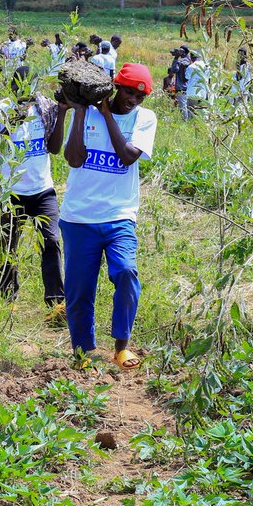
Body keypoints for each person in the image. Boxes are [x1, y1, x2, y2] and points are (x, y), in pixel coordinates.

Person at [48, 62, 158, 370]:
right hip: (79, 217)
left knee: (126, 272)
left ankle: (122, 347)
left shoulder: (144, 118)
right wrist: (82, 111)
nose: (132, 100)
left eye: (140, 96)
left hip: (119, 216)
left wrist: (107, 113)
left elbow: (127, 157)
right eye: (127, 92)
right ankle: (84, 351)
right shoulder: (89, 113)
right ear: (115, 87)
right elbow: (73, 159)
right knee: (79, 289)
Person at [0, 66, 65, 311]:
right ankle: (9, 299)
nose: (25, 93)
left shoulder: (45, 109)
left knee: (51, 241)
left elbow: (55, 149)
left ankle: (56, 302)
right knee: (8, 246)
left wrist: (61, 114)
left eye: (29, 87)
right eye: (20, 87)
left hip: (42, 190)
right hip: (10, 192)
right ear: (12, 85)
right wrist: (11, 123)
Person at [168, 45, 192, 117]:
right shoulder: (190, 60)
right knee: (188, 108)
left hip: (182, 88)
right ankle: (189, 123)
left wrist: (176, 57)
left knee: (182, 108)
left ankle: (185, 123)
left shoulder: (184, 61)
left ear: (183, 52)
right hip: (188, 88)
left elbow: (174, 70)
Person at [184, 51, 208, 118]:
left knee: (191, 112)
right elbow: (208, 80)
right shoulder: (206, 66)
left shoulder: (190, 67)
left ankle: (191, 126)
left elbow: (187, 77)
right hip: (203, 92)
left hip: (192, 92)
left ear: (191, 57)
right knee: (201, 114)